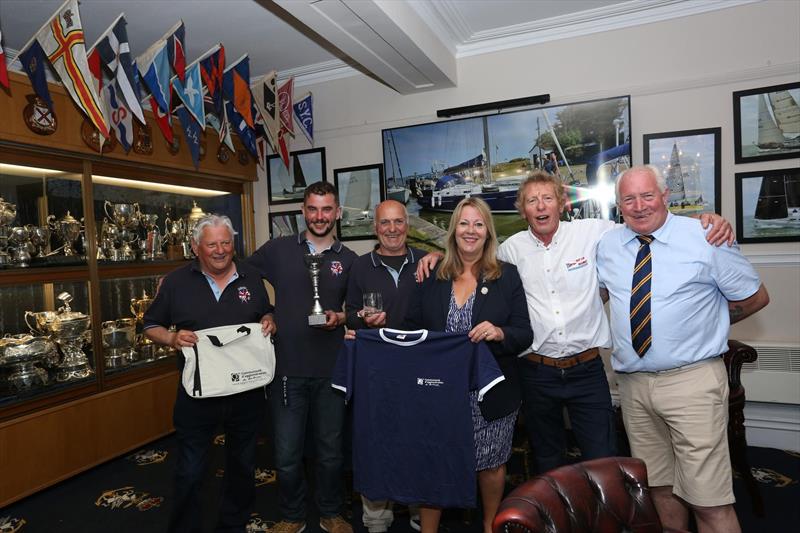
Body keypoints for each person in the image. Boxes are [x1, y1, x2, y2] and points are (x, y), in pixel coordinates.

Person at [417, 170, 734, 476]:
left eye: (547, 198)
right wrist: (434, 259)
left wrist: (697, 221)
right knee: (547, 458)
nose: (541, 206)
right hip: (536, 373)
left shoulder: (594, 233)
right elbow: (471, 258)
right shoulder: (511, 250)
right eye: (532, 201)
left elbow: (645, 222)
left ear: (561, 203)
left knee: (602, 458)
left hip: (587, 371)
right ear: (522, 210)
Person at [596, 165, 769, 533]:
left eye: (647, 196)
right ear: (618, 205)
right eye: (629, 198)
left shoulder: (705, 236)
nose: (639, 206)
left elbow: (756, 298)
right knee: (659, 488)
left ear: (665, 196)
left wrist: (710, 325)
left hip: (692, 383)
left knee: (710, 500)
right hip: (634, 387)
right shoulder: (608, 246)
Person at [404, 197, 532, 533]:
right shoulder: (433, 274)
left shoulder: (507, 276)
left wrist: (499, 331)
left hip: (490, 393)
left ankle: (490, 526)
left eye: (478, 224)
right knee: (435, 463)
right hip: (439, 394)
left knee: (490, 465)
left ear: (488, 232)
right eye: (464, 223)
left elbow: (524, 333)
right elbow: (413, 328)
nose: (470, 230)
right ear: (453, 230)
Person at [143, 214, 276, 533]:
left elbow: (263, 312)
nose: (220, 250)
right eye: (212, 243)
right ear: (195, 247)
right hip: (197, 393)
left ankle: (233, 525)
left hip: (246, 389)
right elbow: (150, 326)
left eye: (226, 242)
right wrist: (172, 338)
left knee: (243, 466)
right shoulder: (175, 282)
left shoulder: (252, 276)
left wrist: (270, 319)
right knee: (190, 470)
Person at [247, 181, 357, 533]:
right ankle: (291, 515)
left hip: (331, 370)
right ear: (303, 212)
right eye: (313, 209)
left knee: (330, 451)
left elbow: (359, 310)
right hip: (287, 370)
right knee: (287, 454)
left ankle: (330, 511)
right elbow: (242, 277)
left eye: (327, 209)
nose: (320, 216)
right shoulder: (278, 250)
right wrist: (266, 311)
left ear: (337, 212)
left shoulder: (350, 259)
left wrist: (342, 318)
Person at [344, 199, 424, 533]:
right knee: (377, 442)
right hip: (376, 372)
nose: (392, 229)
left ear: (408, 225)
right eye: (384, 223)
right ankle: (377, 516)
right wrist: (362, 318)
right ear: (375, 228)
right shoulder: (361, 267)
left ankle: (422, 509)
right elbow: (349, 313)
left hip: (420, 369)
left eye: (398, 222)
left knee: (420, 439)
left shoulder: (427, 261)